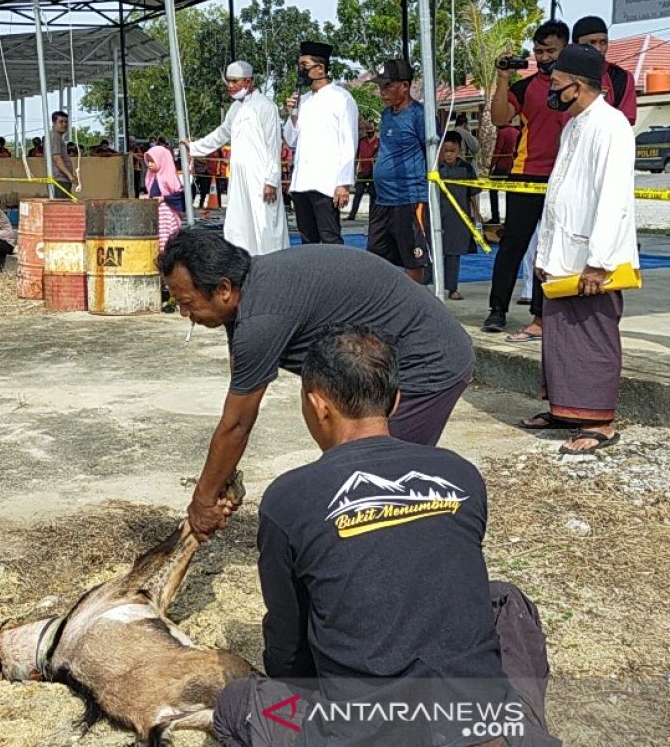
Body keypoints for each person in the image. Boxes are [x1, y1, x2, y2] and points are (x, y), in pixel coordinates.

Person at [212, 326, 558, 747]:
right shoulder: (459, 472)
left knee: (235, 704)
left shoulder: (288, 498)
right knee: (506, 600)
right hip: (479, 722)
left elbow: (288, 646)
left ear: (318, 405)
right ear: (395, 401)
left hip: (361, 729)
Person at [158, 226, 475, 536]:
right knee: (353, 476)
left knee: (377, 487)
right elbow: (241, 386)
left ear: (223, 289)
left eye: (188, 302)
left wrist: (203, 500)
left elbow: (237, 423)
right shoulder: (251, 291)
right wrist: (221, 479)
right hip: (377, 360)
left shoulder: (260, 319)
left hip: (428, 359)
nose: (185, 313)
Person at [521, 45, 638, 457]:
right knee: (561, 339)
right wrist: (544, 255)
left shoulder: (611, 126)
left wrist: (598, 261)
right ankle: (565, 411)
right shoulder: (574, 125)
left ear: (577, 85)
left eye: (556, 84)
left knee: (593, 339)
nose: (551, 91)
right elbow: (560, 195)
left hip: (593, 262)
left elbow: (614, 200)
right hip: (563, 258)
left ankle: (599, 422)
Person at [483, 20, 570, 339]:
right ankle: (497, 309)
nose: (544, 56)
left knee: (555, 247)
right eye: (538, 51)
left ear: (565, 49)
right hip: (526, 174)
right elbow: (499, 118)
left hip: (563, 177)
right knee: (512, 245)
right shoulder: (526, 87)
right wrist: (502, 78)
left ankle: (545, 313)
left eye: (551, 50)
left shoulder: (579, 88)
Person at [187, 60, 289, 255]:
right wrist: (193, 147)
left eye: (234, 81)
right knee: (239, 223)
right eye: (228, 81)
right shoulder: (235, 108)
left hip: (260, 178)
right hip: (239, 177)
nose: (230, 86)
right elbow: (221, 134)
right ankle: (243, 264)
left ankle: (271, 267)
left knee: (265, 224)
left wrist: (271, 181)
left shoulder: (266, 106)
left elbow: (272, 146)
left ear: (248, 82)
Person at [284, 41, 359, 245]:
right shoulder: (303, 99)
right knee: (307, 240)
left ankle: (336, 277)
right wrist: (292, 114)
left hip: (326, 183)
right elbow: (290, 139)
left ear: (320, 68)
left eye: (304, 65)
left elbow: (349, 142)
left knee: (330, 238)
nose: (300, 70)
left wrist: (343, 184)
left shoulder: (341, 98)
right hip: (301, 183)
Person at [367, 59, 431, 284]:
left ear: (404, 86)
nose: (382, 92)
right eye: (381, 87)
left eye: (388, 86)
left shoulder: (419, 116)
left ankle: (412, 309)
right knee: (376, 259)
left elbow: (434, 152)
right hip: (383, 200)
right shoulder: (386, 115)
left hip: (409, 199)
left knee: (413, 260)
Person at [437, 131, 481, 300]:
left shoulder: (466, 168)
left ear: (459, 151)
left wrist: (476, 212)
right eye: (445, 150)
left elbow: (472, 193)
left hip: (458, 216)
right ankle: (430, 285)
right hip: (438, 215)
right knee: (433, 251)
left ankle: (452, 288)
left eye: (452, 151)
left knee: (453, 253)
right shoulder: (436, 168)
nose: (448, 154)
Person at [572, 16, 637, 125]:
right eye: (592, 43)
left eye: (603, 42)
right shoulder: (561, 76)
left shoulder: (621, 77)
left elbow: (625, 121)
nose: (598, 49)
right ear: (575, 46)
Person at [143, 145, 185, 251]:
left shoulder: (169, 176)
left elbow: (178, 195)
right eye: (148, 161)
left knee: (165, 239)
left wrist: (163, 199)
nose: (149, 164)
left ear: (161, 160)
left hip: (166, 214)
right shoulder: (151, 176)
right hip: (155, 212)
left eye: (152, 161)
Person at [486, 123, 519, 224]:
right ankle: (510, 217)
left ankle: (495, 216)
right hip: (513, 166)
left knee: (493, 190)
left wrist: (491, 165)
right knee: (510, 192)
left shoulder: (502, 132)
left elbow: (498, 150)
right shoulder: (517, 132)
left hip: (502, 166)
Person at [347, 120, 378, 220]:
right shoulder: (361, 141)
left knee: (373, 194)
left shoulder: (378, 142)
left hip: (373, 172)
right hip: (362, 171)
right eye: (368, 129)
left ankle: (372, 217)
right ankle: (352, 215)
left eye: (371, 129)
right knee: (358, 193)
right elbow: (356, 156)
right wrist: (354, 170)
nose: (369, 131)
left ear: (375, 130)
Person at [47, 111, 77, 198]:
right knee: (62, 208)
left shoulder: (57, 137)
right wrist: (70, 175)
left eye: (66, 122)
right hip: (59, 180)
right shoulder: (54, 137)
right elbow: (57, 158)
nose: (64, 124)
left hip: (61, 179)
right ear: (54, 123)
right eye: (61, 122)